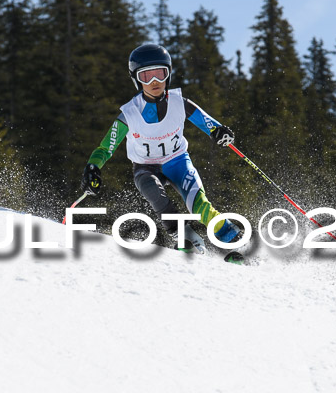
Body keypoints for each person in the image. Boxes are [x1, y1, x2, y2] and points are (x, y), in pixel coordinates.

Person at [81, 43, 240, 252]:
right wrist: (93, 166)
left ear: (169, 74)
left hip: (178, 162)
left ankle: (235, 243)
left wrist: (220, 132)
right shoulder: (129, 114)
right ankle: (186, 238)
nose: (155, 82)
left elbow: (208, 123)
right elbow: (106, 148)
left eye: (160, 74)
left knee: (200, 206)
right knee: (154, 194)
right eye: (147, 76)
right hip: (146, 168)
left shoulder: (179, 103)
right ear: (137, 80)